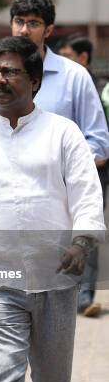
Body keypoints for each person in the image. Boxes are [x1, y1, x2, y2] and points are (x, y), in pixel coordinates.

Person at [0, 36, 105, 382]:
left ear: (34, 81)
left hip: (56, 277)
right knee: (3, 381)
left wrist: (81, 244)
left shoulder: (63, 133)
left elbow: (87, 195)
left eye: (10, 71)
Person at [0, 0, 109, 161]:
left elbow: (98, 143)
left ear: (48, 30)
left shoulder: (75, 76)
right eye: (19, 21)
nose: (24, 30)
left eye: (33, 23)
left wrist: (56, 166)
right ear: (11, 24)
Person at [57, 33, 107, 317]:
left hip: (93, 170)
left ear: (82, 57)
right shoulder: (58, 84)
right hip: (60, 172)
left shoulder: (100, 87)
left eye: (67, 55)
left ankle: (84, 296)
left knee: (86, 229)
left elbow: (100, 134)